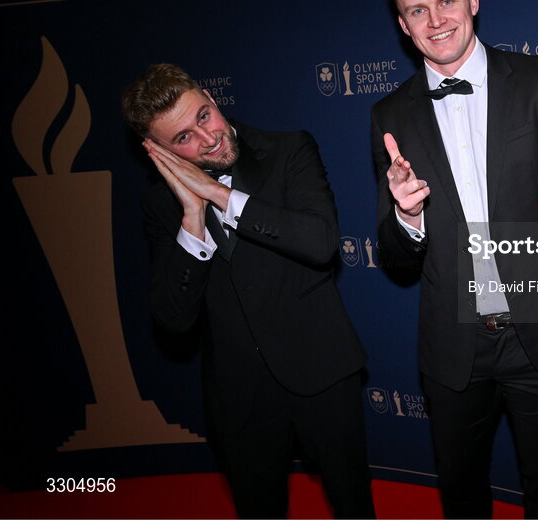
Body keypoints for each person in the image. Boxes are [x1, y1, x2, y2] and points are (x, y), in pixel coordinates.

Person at [370, 0, 538, 518]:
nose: (436, 20)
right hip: (452, 346)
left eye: (447, 0)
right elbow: (397, 260)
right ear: (403, 26)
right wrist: (407, 216)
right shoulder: (389, 114)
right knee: (461, 494)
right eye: (417, 11)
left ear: (473, 1)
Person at [121, 64, 374, 519]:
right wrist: (192, 218)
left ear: (211, 97)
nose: (208, 138)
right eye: (183, 139)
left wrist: (219, 196)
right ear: (158, 151)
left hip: (322, 372)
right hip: (238, 394)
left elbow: (319, 243)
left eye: (203, 116)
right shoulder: (160, 205)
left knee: (353, 506)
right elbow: (173, 319)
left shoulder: (288, 148)